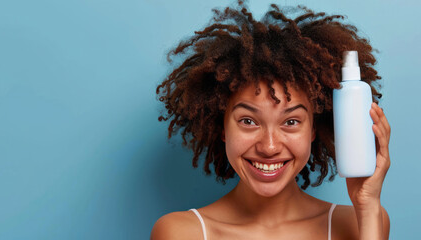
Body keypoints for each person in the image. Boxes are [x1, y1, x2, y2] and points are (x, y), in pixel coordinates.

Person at [152, 1, 391, 239]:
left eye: (290, 122)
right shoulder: (180, 232)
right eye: (248, 121)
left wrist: (368, 206)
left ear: (313, 130)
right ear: (222, 127)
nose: (269, 147)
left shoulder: (360, 222)